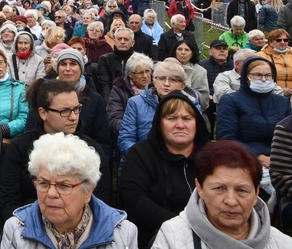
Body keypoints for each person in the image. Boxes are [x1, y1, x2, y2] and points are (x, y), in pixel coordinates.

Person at [1, 132, 137, 249]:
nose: (51, 194)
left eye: (63, 186)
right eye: (43, 183)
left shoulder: (123, 233)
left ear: (88, 191)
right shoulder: (15, 230)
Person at [1, 80, 111, 221]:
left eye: (76, 109)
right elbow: (9, 201)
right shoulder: (19, 147)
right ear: (43, 113)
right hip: (27, 226)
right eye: (64, 111)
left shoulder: (91, 149)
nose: (73, 117)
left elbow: (101, 201)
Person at [154, 140, 289, 248]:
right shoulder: (172, 237)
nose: (231, 201)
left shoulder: (283, 243)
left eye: (242, 190)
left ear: (256, 193)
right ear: (199, 187)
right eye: (219, 188)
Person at [120, 89, 210, 247]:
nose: (180, 125)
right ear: (159, 124)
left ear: (197, 123)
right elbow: (134, 199)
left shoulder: (211, 155)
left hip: (208, 235)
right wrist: (180, 226)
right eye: (171, 118)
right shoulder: (141, 154)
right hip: (155, 236)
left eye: (187, 118)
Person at [217, 56, 291, 175]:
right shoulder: (231, 100)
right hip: (245, 160)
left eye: (268, 75)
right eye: (257, 75)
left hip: (281, 159)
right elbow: (227, 139)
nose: (263, 79)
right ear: (246, 77)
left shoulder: (282, 102)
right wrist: (258, 156)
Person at [107, 52, 153, 138]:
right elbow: (114, 118)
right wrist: (134, 131)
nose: (145, 76)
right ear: (130, 75)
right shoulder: (120, 89)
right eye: (140, 73)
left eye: (147, 71)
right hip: (129, 135)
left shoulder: (156, 88)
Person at [97, 27, 136, 106]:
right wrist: (108, 105)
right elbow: (105, 84)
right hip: (112, 100)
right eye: (119, 39)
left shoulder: (139, 60)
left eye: (126, 39)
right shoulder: (105, 59)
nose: (122, 42)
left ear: (132, 43)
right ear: (114, 41)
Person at [170, 38, 210, 110]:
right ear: (175, 52)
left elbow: (204, 99)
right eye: (179, 49)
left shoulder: (200, 71)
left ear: (192, 54)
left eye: (187, 50)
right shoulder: (165, 67)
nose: (183, 52)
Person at [258, 28, 292, 97]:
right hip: (272, 94)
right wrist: (279, 90)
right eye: (278, 40)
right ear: (270, 42)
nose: (282, 42)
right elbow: (258, 78)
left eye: (285, 40)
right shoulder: (260, 55)